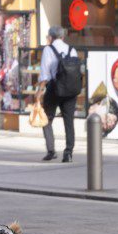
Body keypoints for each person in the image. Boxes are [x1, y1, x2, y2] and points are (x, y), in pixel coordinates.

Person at [40, 25, 77, 163]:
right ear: (62, 36)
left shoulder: (48, 49)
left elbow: (44, 75)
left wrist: (39, 93)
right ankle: (68, 153)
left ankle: (51, 150)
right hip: (70, 90)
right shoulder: (71, 49)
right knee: (69, 122)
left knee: (46, 119)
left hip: (54, 89)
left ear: (51, 37)